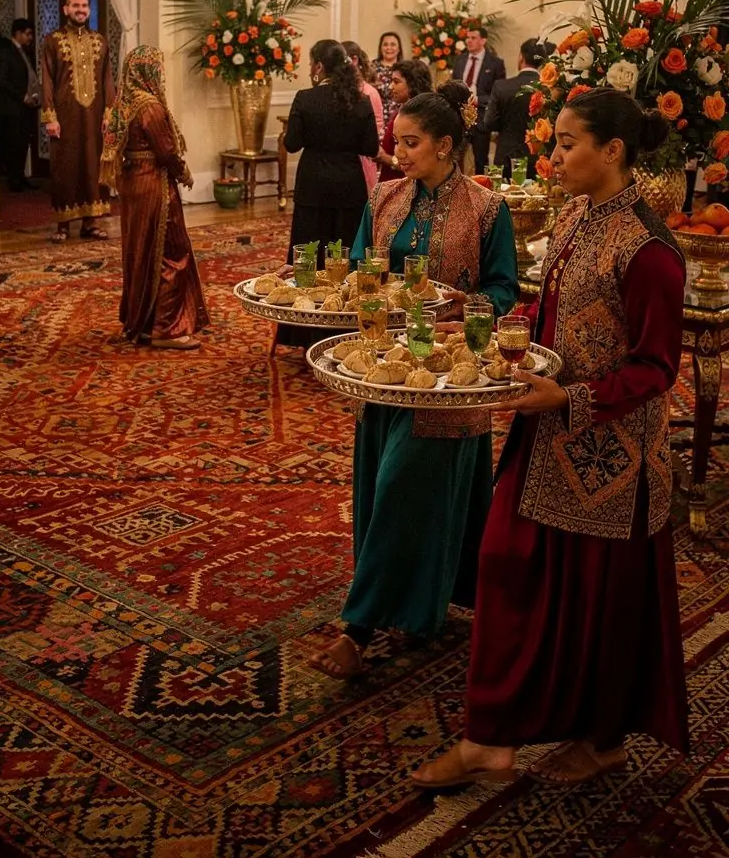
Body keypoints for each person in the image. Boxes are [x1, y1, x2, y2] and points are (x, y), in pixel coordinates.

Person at [412, 88, 688, 789]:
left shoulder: (651, 251)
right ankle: (492, 740)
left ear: (614, 151)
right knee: (506, 564)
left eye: (568, 143)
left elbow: (657, 369)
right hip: (547, 432)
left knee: (599, 605)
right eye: (555, 141)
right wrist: (481, 324)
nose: (554, 155)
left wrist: (573, 399)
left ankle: (601, 741)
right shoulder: (573, 216)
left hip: (612, 461)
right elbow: (550, 309)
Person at [310, 82, 519, 678]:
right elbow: (358, 268)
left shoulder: (487, 210)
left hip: (449, 374)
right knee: (384, 486)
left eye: (411, 143)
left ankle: (359, 628)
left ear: (447, 145)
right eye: (396, 142)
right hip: (381, 366)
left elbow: (504, 288)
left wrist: (460, 304)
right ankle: (430, 600)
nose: (398, 153)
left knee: (405, 483)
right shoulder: (383, 200)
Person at [100, 46, 208, 351]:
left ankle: (145, 323)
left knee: (141, 252)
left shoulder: (123, 104)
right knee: (172, 252)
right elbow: (167, 151)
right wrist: (183, 172)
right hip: (155, 185)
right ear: (149, 72)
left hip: (133, 183)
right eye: (158, 68)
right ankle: (167, 329)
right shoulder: (150, 107)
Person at [277, 40, 380, 349]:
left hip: (313, 187)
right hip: (349, 187)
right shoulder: (360, 101)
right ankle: (344, 331)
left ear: (319, 67)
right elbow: (370, 148)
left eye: (311, 63)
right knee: (344, 259)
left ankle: (303, 331)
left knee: (307, 258)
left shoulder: (305, 98)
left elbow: (292, 143)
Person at [41, 0, 116, 243]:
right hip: (65, 116)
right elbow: (47, 81)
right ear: (65, 9)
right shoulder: (52, 40)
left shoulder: (100, 41)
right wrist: (50, 117)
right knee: (65, 167)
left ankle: (91, 223)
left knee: (93, 165)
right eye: (75, 5)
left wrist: (109, 113)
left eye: (84, 5)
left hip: (95, 118)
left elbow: (108, 79)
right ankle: (63, 225)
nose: (80, 9)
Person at [0, 19, 41, 192]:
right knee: (13, 143)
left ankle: (19, 177)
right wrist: (22, 96)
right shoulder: (5, 52)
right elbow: (2, 81)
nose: (30, 38)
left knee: (23, 142)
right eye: (27, 34)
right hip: (12, 107)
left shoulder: (25, 52)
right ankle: (14, 180)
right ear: (17, 33)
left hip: (25, 106)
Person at [483, 37, 544, 180]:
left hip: (506, 156)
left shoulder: (501, 87)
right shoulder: (549, 89)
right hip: (539, 160)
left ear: (521, 57)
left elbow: (489, 122)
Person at [451, 27, 506, 173]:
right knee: (455, 159)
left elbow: (497, 94)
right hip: (460, 118)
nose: (469, 41)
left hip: (481, 118)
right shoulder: (459, 61)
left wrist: (477, 99)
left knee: (481, 161)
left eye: (473, 38)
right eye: (467, 38)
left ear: (483, 40)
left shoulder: (495, 63)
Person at [377, 58, 433, 180]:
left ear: (413, 85)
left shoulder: (418, 117)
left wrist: (384, 158)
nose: (391, 87)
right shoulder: (402, 110)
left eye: (396, 82)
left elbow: (416, 161)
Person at [342, 40, 384, 192]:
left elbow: (377, 126)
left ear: (354, 60)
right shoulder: (341, 91)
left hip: (362, 158)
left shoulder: (369, 92)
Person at [372, 31, 405, 128]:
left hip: (400, 117)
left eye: (393, 44)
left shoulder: (405, 68)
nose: (389, 48)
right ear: (380, 48)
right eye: (385, 44)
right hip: (377, 118)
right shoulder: (371, 68)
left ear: (399, 49)